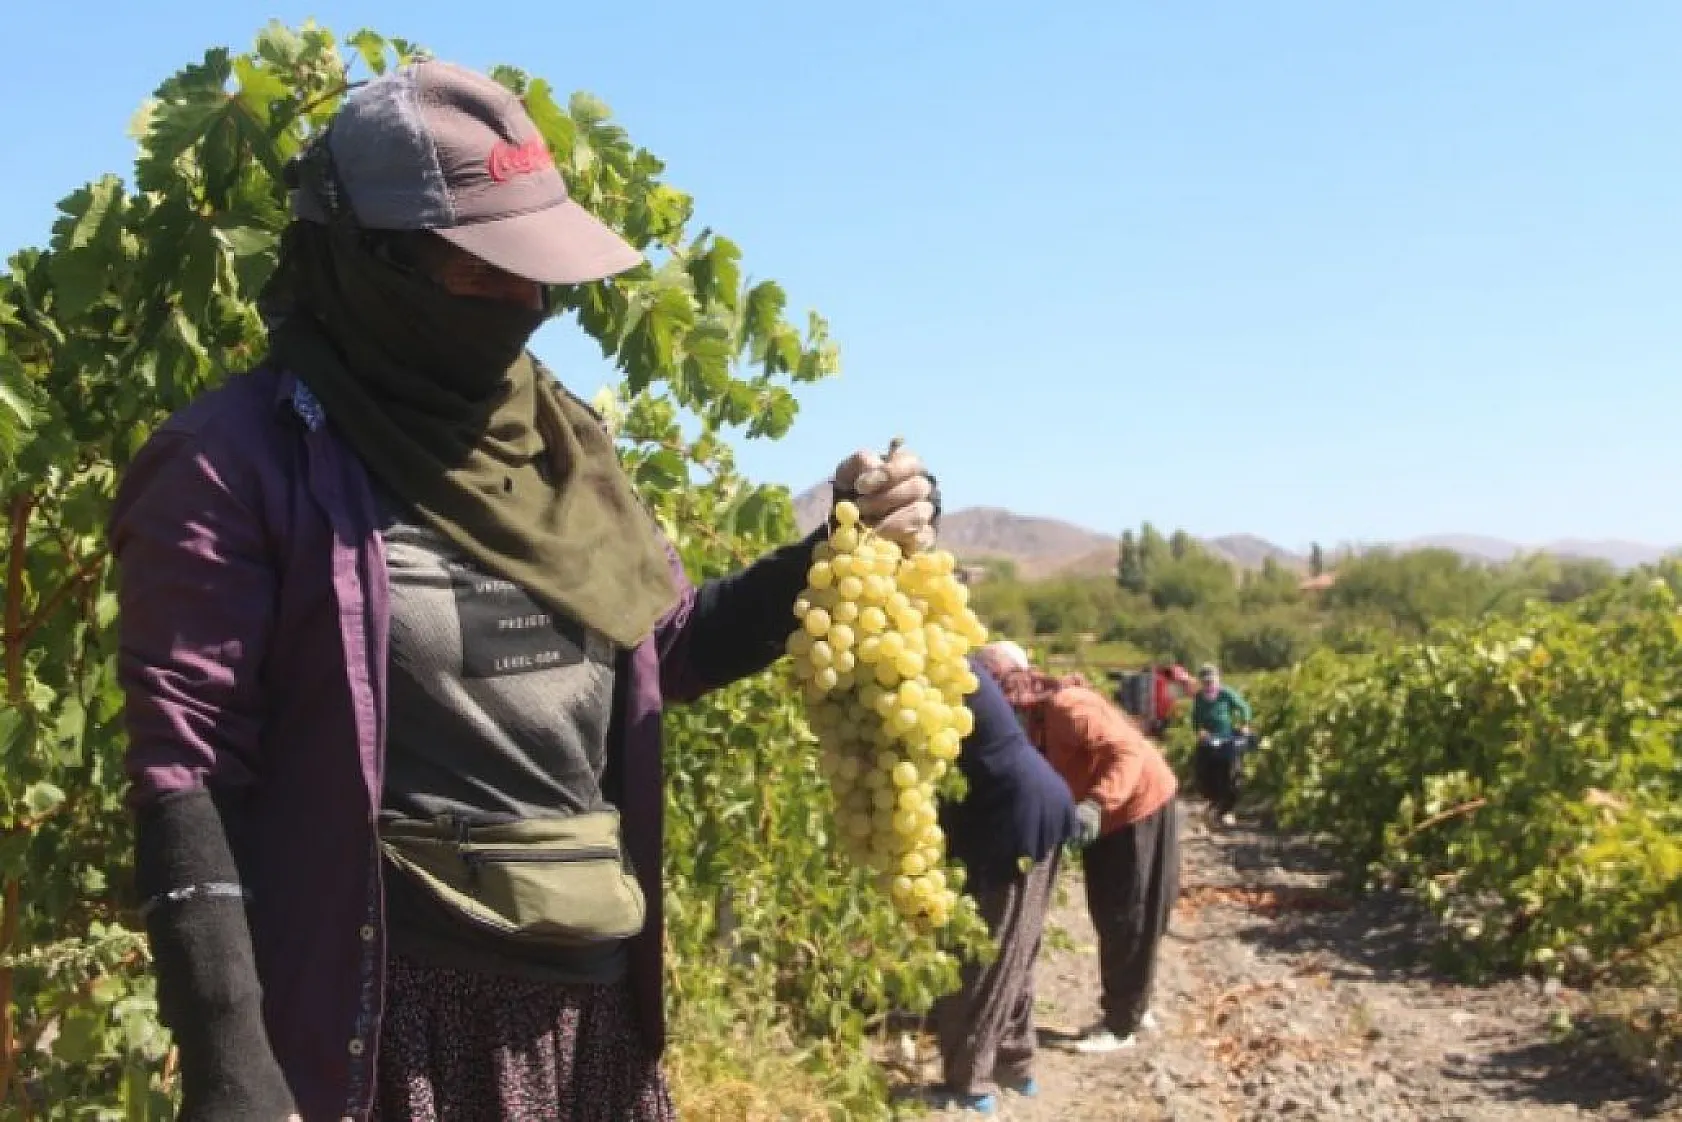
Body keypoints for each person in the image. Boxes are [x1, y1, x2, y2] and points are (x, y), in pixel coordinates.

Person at [110, 60, 940, 1122]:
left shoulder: (557, 443)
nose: (528, 303)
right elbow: (190, 773)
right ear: (370, 261)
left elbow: (664, 646)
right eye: (480, 270)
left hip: (589, 1021)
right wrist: (230, 1059)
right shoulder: (237, 464)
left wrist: (834, 546)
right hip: (391, 1036)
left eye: (534, 270)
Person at [976, 643, 1180, 1056]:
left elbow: (1127, 751)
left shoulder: (1067, 707)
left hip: (1133, 808)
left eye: (993, 684)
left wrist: (1096, 805)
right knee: (1119, 910)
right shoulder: (1035, 717)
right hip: (1113, 812)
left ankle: (1122, 1022)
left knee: (1127, 910)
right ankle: (1135, 1006)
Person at [926, 657, 1079, 1114]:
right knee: (1016, 945)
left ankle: (968, 1082)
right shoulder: (951, 661)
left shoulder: (933, 670)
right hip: (1033, 803)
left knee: (985, 954)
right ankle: (1015, 1063)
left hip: (1014, 816)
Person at [1190, 663, 1255, 826]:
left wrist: (1245, 724)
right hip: (1209, 740)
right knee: (1205, 772)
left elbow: (1244, 707)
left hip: (1226, 739)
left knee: (1230, 774)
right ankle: (1212, 802)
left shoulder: (1225, 694)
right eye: (1205, 681)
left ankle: (1228, 809)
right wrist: (1199, 730)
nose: (1209, 684)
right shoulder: (1199, 697)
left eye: (1211, 681)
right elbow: (1195, 718)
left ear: (1217, 680)